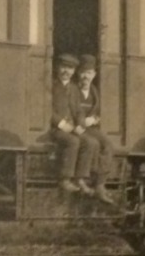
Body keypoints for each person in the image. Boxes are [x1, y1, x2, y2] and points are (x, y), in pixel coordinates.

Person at [49, 53, 97, 194]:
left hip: (72, 128)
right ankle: (65, 179)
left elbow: (79, 111)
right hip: (56, 129)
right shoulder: (51, 85)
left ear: (74, 71)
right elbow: (46, 110)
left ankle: (80, 179)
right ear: (58, 68)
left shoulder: (75, 88)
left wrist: (80, 125)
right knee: (73, 142)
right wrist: (62, 124)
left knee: (90, 142)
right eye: (63, 67)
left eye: (70, 69)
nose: (66, 71)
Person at [72, 54, 115, 203]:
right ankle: (82, 178)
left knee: (107, 144)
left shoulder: (94, 92)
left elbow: (96, 112)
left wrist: (95, 119)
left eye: (89, 73)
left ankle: (100, 184)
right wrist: (84, 122)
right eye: (83, 72)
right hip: (75, 128)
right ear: (78, 73)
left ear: (94, 75)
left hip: (90, 127)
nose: (86, 76)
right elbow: (69, 114)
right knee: (92, 143)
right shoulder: (73, 91)